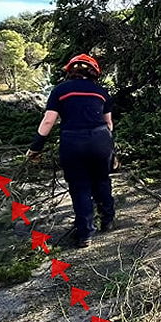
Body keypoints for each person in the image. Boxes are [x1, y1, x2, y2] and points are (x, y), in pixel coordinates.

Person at [27, 54, 115, 248]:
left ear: (70, 71)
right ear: (94, 72)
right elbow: (108, 123)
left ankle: (85, 234)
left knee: (80, 186)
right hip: (101, 140)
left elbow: (49, 121)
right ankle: (107, 219)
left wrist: (36, 147)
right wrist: (111, 149)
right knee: (102, 179)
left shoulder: (60, 90)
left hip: (73, 142)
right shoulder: (102, 92)